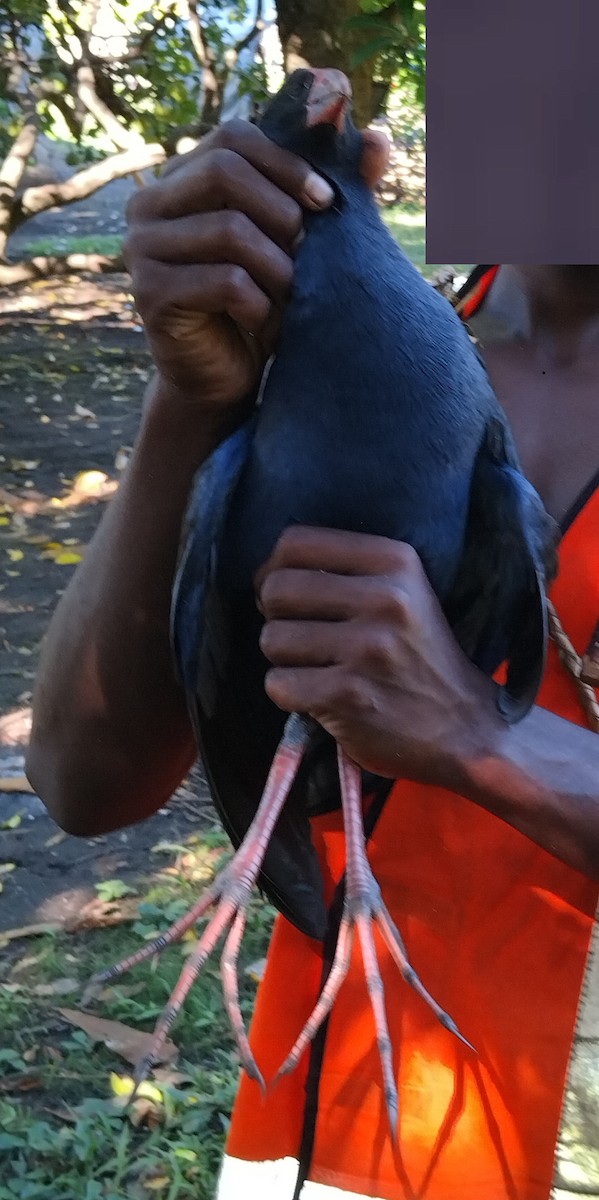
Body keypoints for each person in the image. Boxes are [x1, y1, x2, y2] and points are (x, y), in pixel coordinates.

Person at [26, 117, 599, 1200]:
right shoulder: (360, 341)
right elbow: (85, 782)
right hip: (325, 1120)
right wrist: (194, 397)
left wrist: (485, 738)